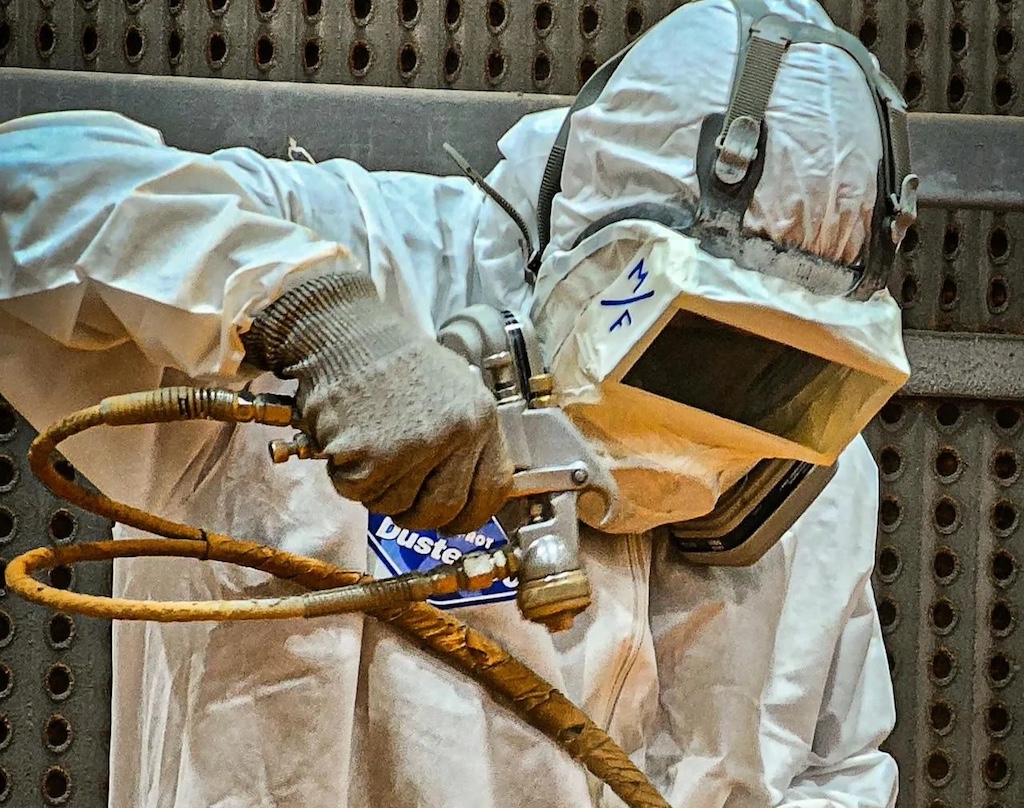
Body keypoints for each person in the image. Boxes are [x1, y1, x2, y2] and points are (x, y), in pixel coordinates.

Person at [0, 0, 909, 805]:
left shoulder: (813, 434)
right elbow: (26, 185)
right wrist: (317, 322)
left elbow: (837, 765)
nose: (715, 426)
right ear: (585, 239)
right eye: (699, 338)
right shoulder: (359, 255)